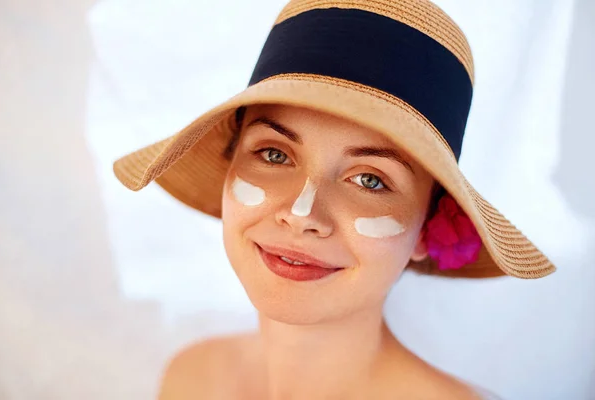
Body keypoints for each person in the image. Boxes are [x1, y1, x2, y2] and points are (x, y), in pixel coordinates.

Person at [113, 0, 555, 398]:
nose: (301, 215)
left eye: (370, 180)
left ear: (429, 226)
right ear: (230, 166)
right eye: (274, 153)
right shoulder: (192, 379)